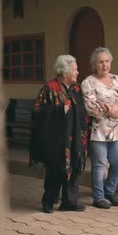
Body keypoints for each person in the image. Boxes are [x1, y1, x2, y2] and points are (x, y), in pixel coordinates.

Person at [30, 55, 90, 214]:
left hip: (75, 138)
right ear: (64, 72)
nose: (78, 72)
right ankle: (48, 201)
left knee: (74, 168)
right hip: (56, 140)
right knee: (55, 170)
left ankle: (69, 201)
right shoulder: (50, 88)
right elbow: (37, 112)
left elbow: (82, 111)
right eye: (75, 69)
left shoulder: (75, 88)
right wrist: (57, 110)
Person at [81, 47, 118, 209]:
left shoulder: (117, 79)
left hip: (117, 128)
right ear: (94, 65)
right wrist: (109, 110)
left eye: (107, 61)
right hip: (98, 129)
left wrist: (117, 107)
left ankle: (109, 191)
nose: (105, 65)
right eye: (100, 62)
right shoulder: (88, 82)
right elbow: (90, 105)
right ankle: (98, 197)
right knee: (100, 164)